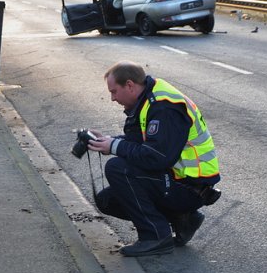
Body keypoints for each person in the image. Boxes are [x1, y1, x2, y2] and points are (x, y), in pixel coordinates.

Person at [87, 61, 221, 257]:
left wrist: (114, 147)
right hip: (175, 180)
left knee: (118, 168)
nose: (112, 98)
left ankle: (156, 236)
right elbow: (140, 141)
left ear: (130, 85)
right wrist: (107, 141)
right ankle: (182, 218)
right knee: (108, 201)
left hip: (191, 187)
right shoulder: (147, 101)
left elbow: (157, 157)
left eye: (114, 91)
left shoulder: (164, 107)